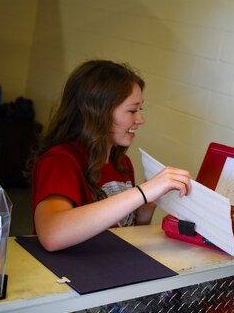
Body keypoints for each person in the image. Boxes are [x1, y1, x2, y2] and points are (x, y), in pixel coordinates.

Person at [30, 60, 192, 251]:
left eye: (141, 110)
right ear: (98, 112)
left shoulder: (122, 163)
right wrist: (142, 192)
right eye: (132, 110)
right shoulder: (61, 161)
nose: (140, 119)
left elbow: (128, 234)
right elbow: (52, 235)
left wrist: (146, 208)